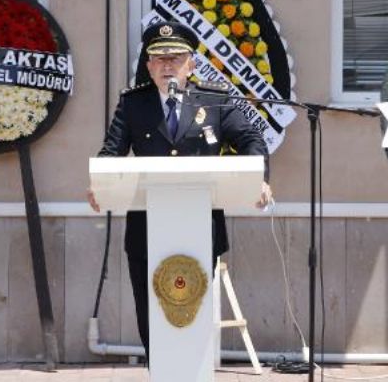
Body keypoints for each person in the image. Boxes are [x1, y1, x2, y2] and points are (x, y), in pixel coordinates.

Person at [87, 20, 271, 359]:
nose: (167, 65)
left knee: (194, 314)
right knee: (151, 315)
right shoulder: (133, 104)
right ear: (148, 65)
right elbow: (111, 151)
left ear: (192, 64)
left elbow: (251, 139)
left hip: (200, 227)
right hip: (146, 231)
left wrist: (258, 178)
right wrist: (100, 182)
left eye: (176, 58)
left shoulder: (214, 100)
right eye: (159, 59)